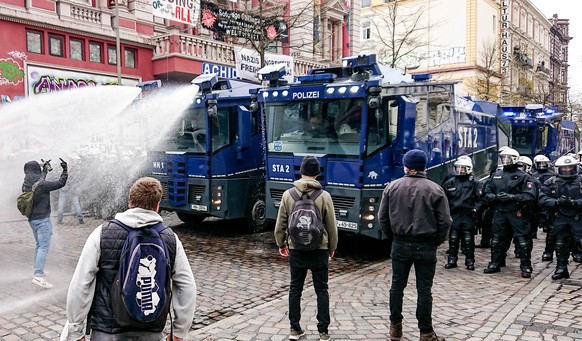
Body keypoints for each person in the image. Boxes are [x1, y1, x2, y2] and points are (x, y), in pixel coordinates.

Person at [62, 177, 196, 341]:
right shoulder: (170, 238)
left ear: (130, 202)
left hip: (107, 331)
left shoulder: (102, 233)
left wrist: (75, 330)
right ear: (157, 205)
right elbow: (186, 285)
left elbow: (81, 282)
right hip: (151, 329)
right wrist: (180, 331)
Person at [378, 149, 451, 341]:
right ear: (424, 167)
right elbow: (445, 221)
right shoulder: (435, 189)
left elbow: (382, 217)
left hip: (400, 243)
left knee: (396, 287)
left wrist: (391, 236)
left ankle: (395, 328)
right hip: (425, 244)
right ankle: (426, 332)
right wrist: (437, 240)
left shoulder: (392, 187)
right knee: (424, 290)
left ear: (405, 166)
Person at [274, 156, 338, 341]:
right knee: (322, 290)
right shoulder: (324, 196)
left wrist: (281, 244)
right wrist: (332, 247)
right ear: (317, 173)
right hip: (320, 249)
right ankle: (323, 332)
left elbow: (281, 223)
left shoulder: (288, 195)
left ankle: (295, 329)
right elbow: (331, 225)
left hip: (296, 248)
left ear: (301, 172)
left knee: (295, 288)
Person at [483, 147, 536, 278]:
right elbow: (487, 191)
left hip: (516, 212)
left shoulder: (524, 176)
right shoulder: (496, 174)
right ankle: (495, 263)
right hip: (500, 211)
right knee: (496, 239)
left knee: (522, 240)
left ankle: (526, 266)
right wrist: (495, 198)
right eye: (503, 158)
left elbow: (530, 195)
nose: (505, 160)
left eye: (508, 158)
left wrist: (512, 197)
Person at [22, 158, 68, 289]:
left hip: (33, 220)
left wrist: (44, 170)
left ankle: (37, 269)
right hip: (42, 220)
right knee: (43, 247)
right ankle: (38, 276)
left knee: (39, 245)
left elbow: (40, 181)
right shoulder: (41, 185)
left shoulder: (26, 183)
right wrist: (65, 169)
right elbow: (60, 183)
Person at [538, 155, 582, 280]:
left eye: (570, 167)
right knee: (560, 243)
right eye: (564, 168)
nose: (567, 170)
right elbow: (542, 198)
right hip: (559, 216)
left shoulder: (581, 180)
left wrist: (575, 203)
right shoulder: (551, 182)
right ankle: (561, 268)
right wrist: (556, 202)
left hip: (578, 217)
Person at [442, 156, 483, 271]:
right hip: (454, 214)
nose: (460, 170)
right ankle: (452, 259)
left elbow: (482, 199)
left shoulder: (475, 183)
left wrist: (476, 209)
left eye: (463, 168)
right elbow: (444, 198)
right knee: (453, 238)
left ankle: (470, 261)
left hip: (468, 214)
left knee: (468, 239)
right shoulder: (450, 182)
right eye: (458, 168)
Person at [57, 154, 84, 225]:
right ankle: (59, 220)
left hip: (70, 190)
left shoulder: (73, 169)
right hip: (66, 190)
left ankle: (80, 219)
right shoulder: (63, 169)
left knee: (75, 205)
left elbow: (76, 180)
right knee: (62, 206)